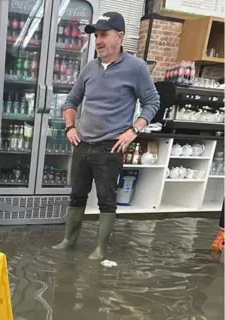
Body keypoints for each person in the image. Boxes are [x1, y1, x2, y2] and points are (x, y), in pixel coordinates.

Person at [52, 12, 160, 260]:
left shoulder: (136, 68)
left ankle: (100, 249)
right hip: (82, 144)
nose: (98, 41)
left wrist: (134, 130)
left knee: (106, 199)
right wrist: (70, 127)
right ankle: (69, 240)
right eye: (96, 36)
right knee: (76, 194)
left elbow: (152, 102)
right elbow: (71, 101)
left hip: (110, 147)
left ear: (120, 36)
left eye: (103, 35)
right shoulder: (90, 68)